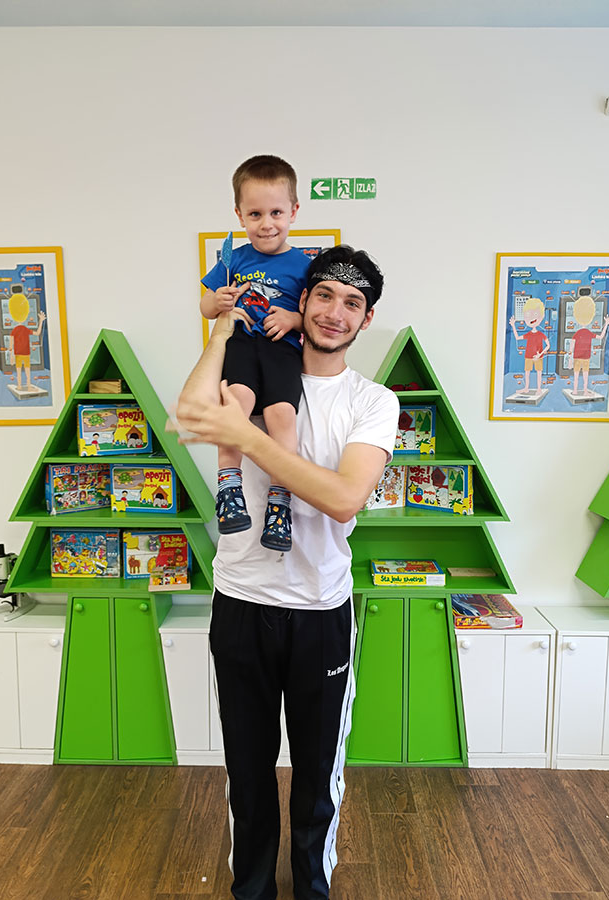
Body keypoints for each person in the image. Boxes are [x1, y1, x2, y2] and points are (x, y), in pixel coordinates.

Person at [175, 244, 400, 900]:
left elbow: (343, 497)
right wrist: (222, 329)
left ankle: (311, 890)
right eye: (324, 295)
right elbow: (189, 415)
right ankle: (251, 891)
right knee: (246, 773)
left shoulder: (372, 401)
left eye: (352, 303)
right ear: (302, 299)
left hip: (320, 609)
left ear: (366, 318)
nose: (335, 312)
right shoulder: (252, 366)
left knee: (316, 778)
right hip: (241, 599)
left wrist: (245, 436)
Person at [201, 155, 311, 552]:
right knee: (237, 404)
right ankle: (229, 488)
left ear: (293, 211)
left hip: (282, 351)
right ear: (240, 215)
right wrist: (217, 301)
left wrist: (294, 319)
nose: (267, 224)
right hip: (243, 345)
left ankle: (280, 504)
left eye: (276, 212)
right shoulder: (234, 260)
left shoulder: (304, 265)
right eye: (255, 214)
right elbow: (205, 307)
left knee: (282, 416)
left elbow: (311, 318)